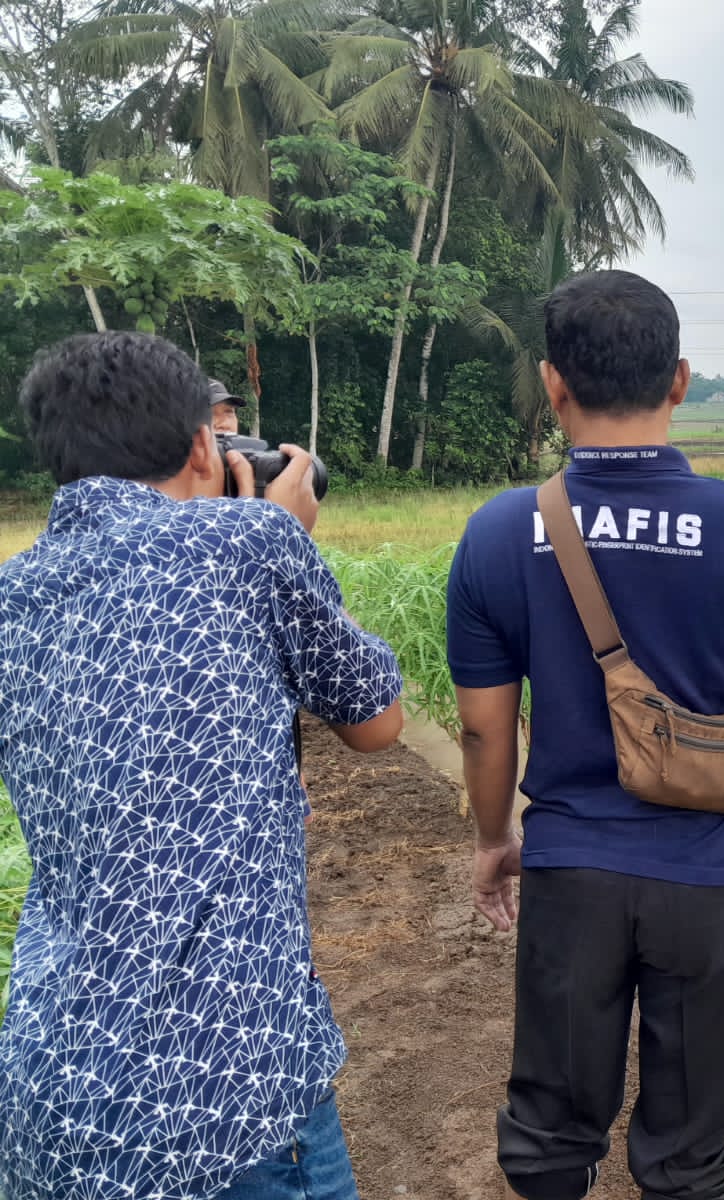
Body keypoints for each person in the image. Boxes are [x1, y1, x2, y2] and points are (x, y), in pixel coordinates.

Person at [446, 269, 724, 1200]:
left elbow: (482, 729)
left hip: (573, 870)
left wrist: (492, 840)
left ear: (554, 384)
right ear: (679, 380)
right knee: (691, 1141)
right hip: (716, 877)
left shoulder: (502, 532)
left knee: (551, 1129)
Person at [0, 332, 405, 1200]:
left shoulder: (12, 597)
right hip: (224, 1097)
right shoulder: (250, 547)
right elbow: (377, 723)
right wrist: (275, 529)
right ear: (199, 445)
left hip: (50, 1086)